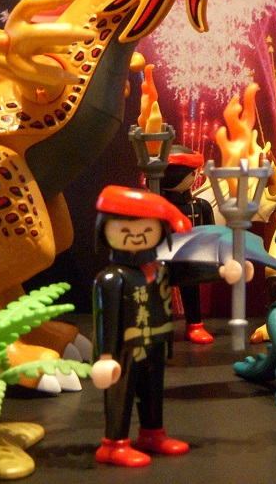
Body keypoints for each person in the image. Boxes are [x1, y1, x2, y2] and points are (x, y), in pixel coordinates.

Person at [91, 185, 245, 467]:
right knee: (120, 394)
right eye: (125, 230)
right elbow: (105, 319)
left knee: (153, 391)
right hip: (125, 349)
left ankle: (152, 433)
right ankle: (113, 444)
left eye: (147, 230)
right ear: (104, 231)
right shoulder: (112, 279)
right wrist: (104, 356)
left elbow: (190, 272)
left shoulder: (160, 269)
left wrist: (223, 270)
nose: (137, 237)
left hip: (157, 344)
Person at [161, 145, 217, 344]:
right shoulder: (156, 206)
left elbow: (211, 234)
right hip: (162, 259)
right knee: (159, 293)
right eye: (192, 172)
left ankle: (195, 325)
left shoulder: (199, 206)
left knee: (191, 290)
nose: (195, 176)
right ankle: (160, 328)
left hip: (189, 258)